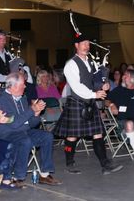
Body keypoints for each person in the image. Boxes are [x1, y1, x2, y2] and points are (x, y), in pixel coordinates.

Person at [53, 34, 123, 175]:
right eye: (83, 43)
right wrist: (94, 94)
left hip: (90, 103)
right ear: (76, 46)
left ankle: (105, 164)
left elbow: (94, 81)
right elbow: (77, 86)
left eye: (88, 43)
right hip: (77, 103)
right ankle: (70, 162)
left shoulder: (91, 63)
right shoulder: (71, 64)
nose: (86, 46)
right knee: (72, 136)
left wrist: (104, 85)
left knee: (98, 133)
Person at [0, 72, 61, 186]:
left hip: (23, 131)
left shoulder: (22, 98)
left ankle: (44, 174)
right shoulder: (1, 100)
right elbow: (14, 124)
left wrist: (36, 114)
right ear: (13, 86)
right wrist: (31, 110)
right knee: (25, 141)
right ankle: (19, 177)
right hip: (7, 133)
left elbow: (31, 124)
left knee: (47, 136)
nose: (25, 86)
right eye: (23, 84)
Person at [106, 69, 134, 161]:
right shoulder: (118, 90)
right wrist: (111, 105)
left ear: (133, 79)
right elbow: (106, 100)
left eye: (126, 75)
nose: (123, 77)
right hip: (122, 124)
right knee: (129, 123)